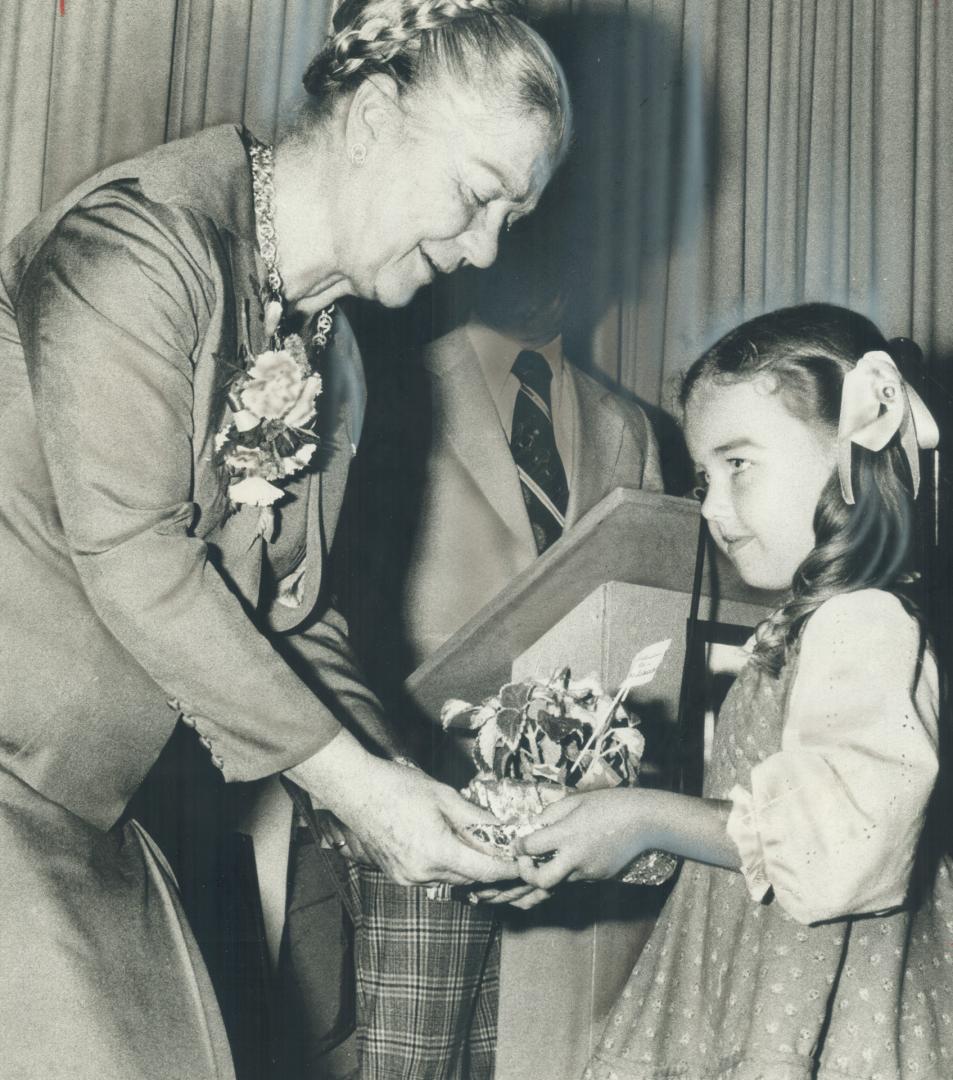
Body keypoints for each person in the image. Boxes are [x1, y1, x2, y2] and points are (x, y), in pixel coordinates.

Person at [0, 1, 570, 1076]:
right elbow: (134, 556)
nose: (486, 247)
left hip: (90, 816)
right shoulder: (136, 244)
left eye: (512, 219)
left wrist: (417, 803)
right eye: (475, 195)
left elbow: (293, 617)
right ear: (366, 124)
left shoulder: (330, 350)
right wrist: (361, 788)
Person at [514, 303, 953, 1079]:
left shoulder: (866, 620)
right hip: (749, 969)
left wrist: (646, 815)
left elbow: (840, 845)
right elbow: (752, 825)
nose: (710, 508)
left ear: (845, 457)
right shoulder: (806, 620)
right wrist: (625, 830)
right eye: (701, 477)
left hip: (827, 998)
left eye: (738, 465)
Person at [330, 184, 663, 1079]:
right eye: (521, 239)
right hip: (421, 789)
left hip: (567, 830)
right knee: (408, 1063)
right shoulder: (390, 394)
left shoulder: (628, 428)